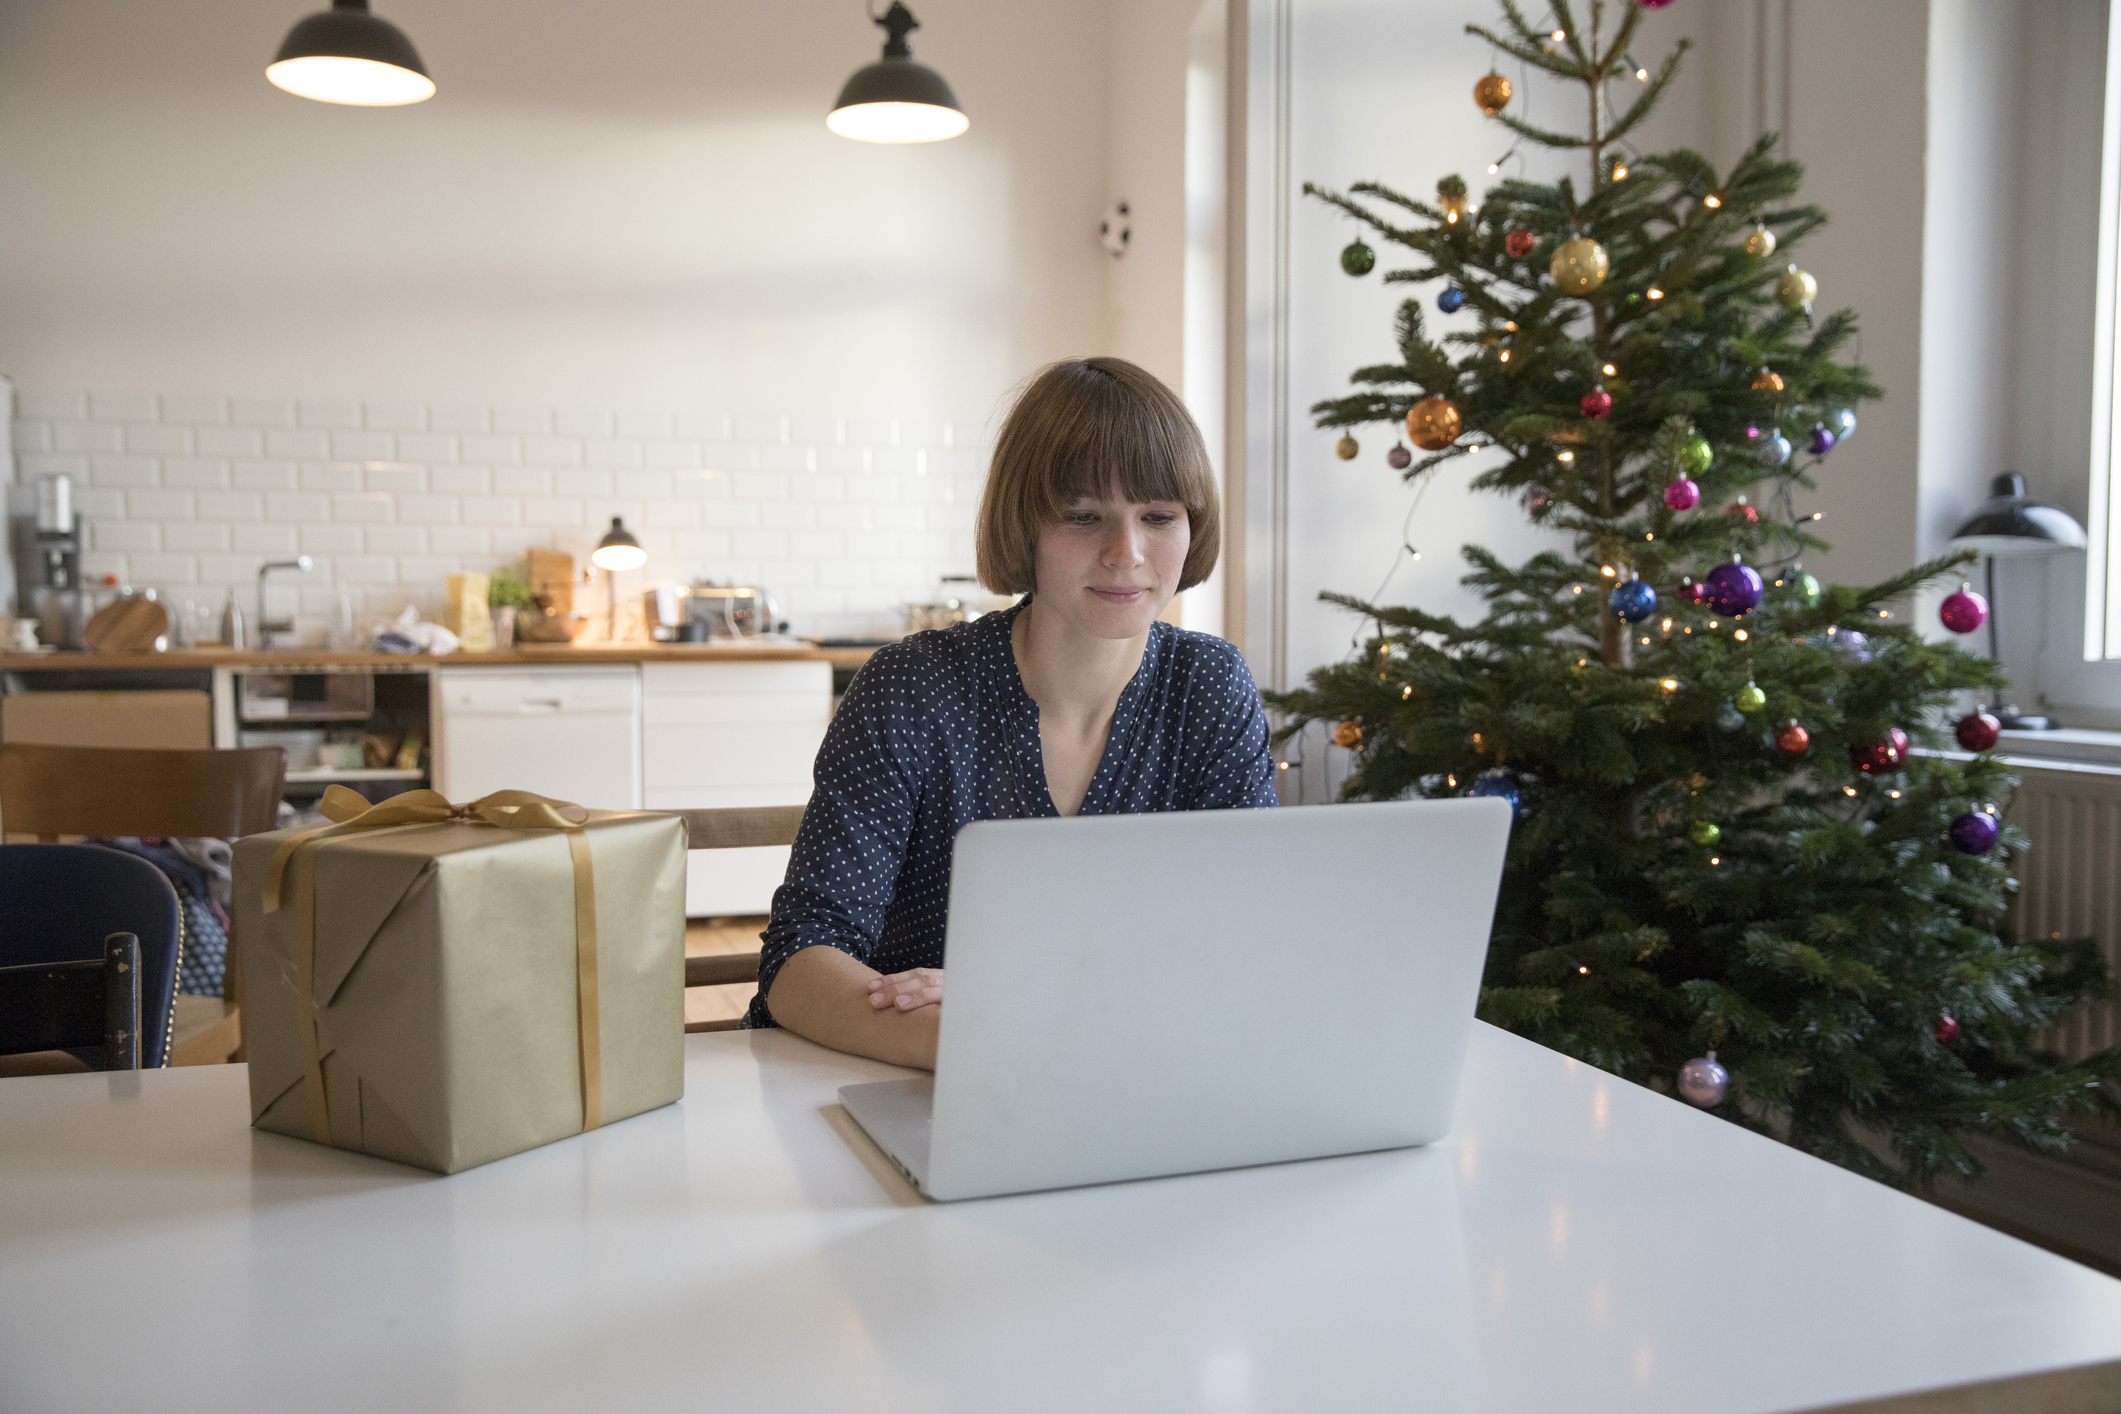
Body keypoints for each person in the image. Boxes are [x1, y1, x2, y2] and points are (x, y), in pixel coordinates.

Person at [745, 356, 1278, 1066]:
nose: (1127, 553)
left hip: (1127, 1081)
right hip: (893, 1082)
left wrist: (1034, 1029)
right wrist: (988, 1041)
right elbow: (799, 963)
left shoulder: (1209, 685)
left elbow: (1244, 943)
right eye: (1082, 517)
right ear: (1022, 525)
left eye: (1158, 516)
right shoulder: (912, 687)